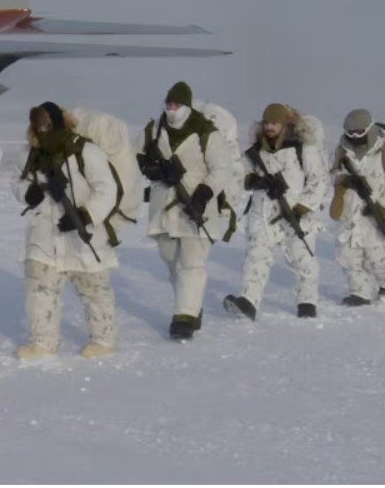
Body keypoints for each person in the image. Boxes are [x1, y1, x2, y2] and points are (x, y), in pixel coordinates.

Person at [136, 82, 241, 339]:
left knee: (192, 263)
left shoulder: (206, 133)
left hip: (197, 205)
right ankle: (192, 305)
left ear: (186, 106)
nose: (172, 110)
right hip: (164, 206)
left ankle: (184, 317)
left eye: (177, 105)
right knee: (171, 260)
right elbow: (138, 155)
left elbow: (222, 169)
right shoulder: (154, 129)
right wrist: (155, 170)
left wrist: (204, 193)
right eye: (168, 104)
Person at [13, 102, 119, 358]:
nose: (42, 130)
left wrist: (84, 215)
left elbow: (107, 190)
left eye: (48, 125)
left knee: (94, 289)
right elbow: (18, 182)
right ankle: (43, 342)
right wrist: (30, 192)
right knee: (39, 289)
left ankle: (104, 340)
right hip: (44, 234)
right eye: (38, 125)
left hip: (83, 235)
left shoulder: (86, 152)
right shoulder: (30, 154)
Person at [226, 103, 328, 320]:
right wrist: (252, 180)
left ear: (285, 124)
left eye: (274, 123)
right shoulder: (256, 152)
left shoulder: (302, 149)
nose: (269, 126)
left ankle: (307, 301)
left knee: (302, 260)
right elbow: (237, 174)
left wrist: (304, 207)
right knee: (256, 257)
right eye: (266, 122)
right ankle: (248, 302)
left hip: (296, 215)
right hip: (262, 213)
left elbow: (319, 181)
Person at [328, 110, 385, 306]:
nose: (354, 137)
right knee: (348, 256)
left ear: (370, 129)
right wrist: (343, 180)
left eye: (359, 132)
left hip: (376, 213)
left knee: (377, 255)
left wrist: (383, 205)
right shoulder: (340, 152)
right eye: (350, 132)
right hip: (349, 214)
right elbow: (328, 175)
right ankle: (359, 293)